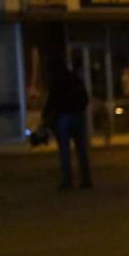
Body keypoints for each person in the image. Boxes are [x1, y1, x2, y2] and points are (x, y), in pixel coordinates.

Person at [42, 58, 92, 190]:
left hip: (63, 117)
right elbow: (85, 98)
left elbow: (51, 101)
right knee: (81, 149)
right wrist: (79, 108)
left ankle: (68, 180)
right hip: (77, 116)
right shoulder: (75, 79)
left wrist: (46, 117)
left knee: (64, 150)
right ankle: (86, 179)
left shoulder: (56, 82)